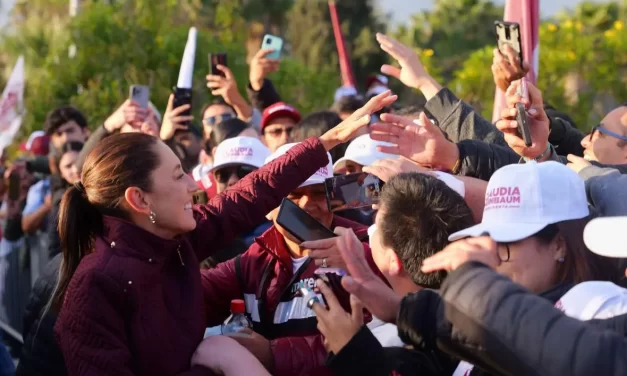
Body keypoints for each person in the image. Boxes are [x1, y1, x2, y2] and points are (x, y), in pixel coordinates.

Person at [54, 91, 397, 375]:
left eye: (321, 194)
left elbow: (242, 199)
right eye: (177, 176)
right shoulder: (96, 287)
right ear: (139, 199)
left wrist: (325, 142)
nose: (194, 185)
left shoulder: (366, 250)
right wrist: (225, 361)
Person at [199, 141, 389, 376]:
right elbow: (185, 294)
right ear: (266, 207)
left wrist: (272, 354)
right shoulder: (250, 262)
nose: (307, 204)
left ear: (335, 199)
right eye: (294, 194)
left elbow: (379, 343)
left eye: (319, 193)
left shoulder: (366, 252)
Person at [311, 172, 473, 376]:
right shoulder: (483, 320)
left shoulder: (387, 347)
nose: (369, 232)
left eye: (375, 227)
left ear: (392, 260)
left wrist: (352, 354)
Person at [201, 136, 272, 267]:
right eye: (222, 174)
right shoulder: (202, 232)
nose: (231, 181)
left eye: (243, 172)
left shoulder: (283, 231)